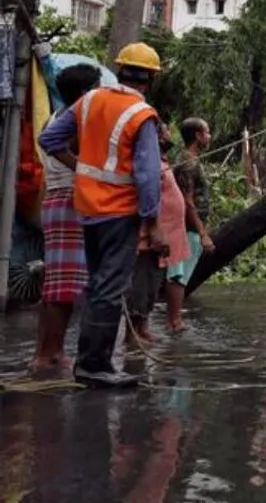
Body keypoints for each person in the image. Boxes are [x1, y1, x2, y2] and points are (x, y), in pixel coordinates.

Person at [39, 42, 166, 388]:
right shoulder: (141, 115)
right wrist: (153, 222)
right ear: (150, 79)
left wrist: (80, 168)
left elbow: (49, 139)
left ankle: (88, 363)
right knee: (109, 289)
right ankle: (95, 366)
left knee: (98, 287)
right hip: (120, 213)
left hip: (87, 210)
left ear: (120, 70)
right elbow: (147, 174)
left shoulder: (89, 101)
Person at [29, 63, 102, 376]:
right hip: (69, 202)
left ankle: (50, 351)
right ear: (86, 94)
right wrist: (86, 169)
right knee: (63, 287)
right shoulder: (74, 121)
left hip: (57, 202)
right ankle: (48, 354)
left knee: (57, 282)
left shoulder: (56, 118)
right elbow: (62, 150)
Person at [126, 122, 190, 345]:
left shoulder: (161, 162)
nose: (169, 134)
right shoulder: (149, 163)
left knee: (152, 283)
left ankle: (142, 329)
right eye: (164, 131)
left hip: (165, 236)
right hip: (152, 235)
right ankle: (133, 333)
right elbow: (147, 194)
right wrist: (154, 229)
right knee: (142, 283)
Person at [168, 117, 213, 331]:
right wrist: (203, 233)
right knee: (179, 273)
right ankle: (175, 321)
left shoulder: (191, 159)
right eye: (207, 132)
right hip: (187, 226)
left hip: (192, 225)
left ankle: (175, 319)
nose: (209, 136)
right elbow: (187, 200)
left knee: (181, 273)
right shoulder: (188, 162)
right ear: (197, 135)